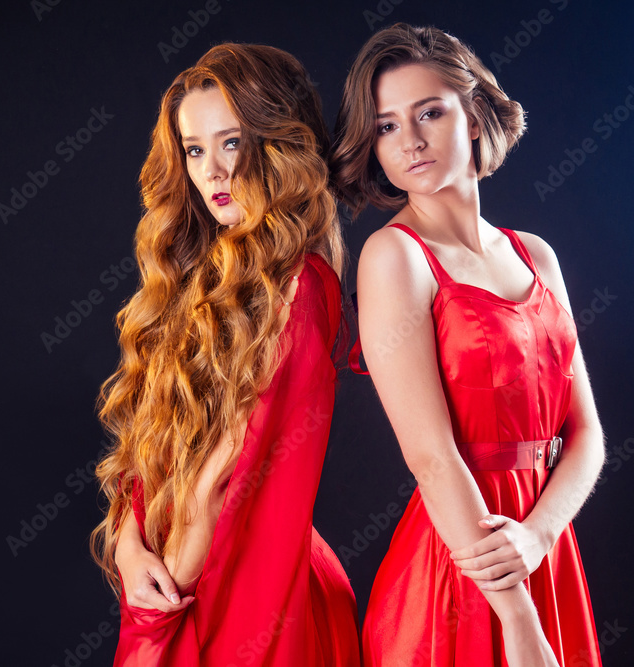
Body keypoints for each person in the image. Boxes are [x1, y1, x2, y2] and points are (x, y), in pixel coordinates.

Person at [331, 23, 605, 666]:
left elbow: (587, 435)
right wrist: (518, 618)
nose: (411, 141)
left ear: (476, 115)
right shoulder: (393, 256)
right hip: (461, 567)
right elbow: (430, 456)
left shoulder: (534, 253)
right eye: (387, 126)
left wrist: (536, 540)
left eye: (430, 112)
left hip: (543, 550)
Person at [90, 43, 360, 666]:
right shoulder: (193, 279)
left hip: (241, 597)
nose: (211, 170)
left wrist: (155, 621)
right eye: (193, 149)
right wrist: (130, 547)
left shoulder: (302, 284)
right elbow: (152, 443)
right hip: (179, 573)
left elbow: (221, 481)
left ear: (275, 144)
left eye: (231, 142)